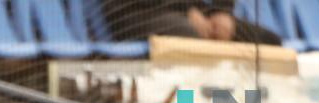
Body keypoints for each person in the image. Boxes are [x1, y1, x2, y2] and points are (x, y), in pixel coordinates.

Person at [101, 0, 281, 46]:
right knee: (190, 37)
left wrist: (222, 12)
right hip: (136, 10)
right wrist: (186, 10)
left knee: (268, 41)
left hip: (190, 10)